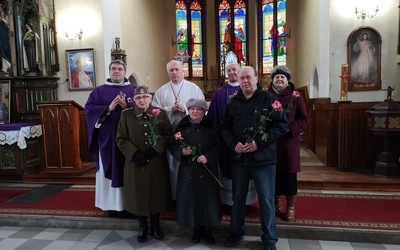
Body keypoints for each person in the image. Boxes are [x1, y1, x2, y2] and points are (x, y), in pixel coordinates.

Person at [220, 66, 288, 250]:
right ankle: (236, 232)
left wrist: (259, 143)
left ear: (257, 78)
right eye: (241, 78)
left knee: (266, 200)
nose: (245, 81)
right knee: (238, 198)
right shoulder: (233, 102)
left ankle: (269, 239)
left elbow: (282, 125)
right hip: (240, 159)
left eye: (248, 77)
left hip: (263, 159)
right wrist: (233, 143)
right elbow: (224, 127)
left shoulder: (269, 99)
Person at [116, 85, 173, 243]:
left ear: (150, 98)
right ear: (134, 100)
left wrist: (156, 149)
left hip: (155, 162)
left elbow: (168, 134)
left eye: (145, 97)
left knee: (156, 192)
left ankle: (155, 224)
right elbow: (120, 138)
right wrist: (134, 154)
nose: (142, 100)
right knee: (138, 193)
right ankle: (142, 226)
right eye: (138, 98)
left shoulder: (160, 114)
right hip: (136, 163)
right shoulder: (126, 115)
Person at [85, 60, 136, 216]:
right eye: (113, 68)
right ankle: (111, 206)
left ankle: (131, 206)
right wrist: (108, 108)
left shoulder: (133, 90)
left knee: (129, 172)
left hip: (130, 140)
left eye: (120, 69)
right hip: (107, 141)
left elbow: (144, 109)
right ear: (109, 71)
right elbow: (90, 110)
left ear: (125, 72)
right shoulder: (99, 91)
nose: (116, 71)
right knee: (110, 170)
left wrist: (126, 108)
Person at [168, 98, 222, 245]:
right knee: (192, 199)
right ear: (188, 110)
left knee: (208, 199)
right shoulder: (182, 126)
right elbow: (172, 144)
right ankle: (196, 229)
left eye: (198, 109)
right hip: (189, 171)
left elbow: (220, 146)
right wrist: (181, 151)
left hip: (207, 170)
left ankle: (208, 229)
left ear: (204, 111)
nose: (195, 112)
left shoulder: (212, 126)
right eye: (192, 109)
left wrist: (208, 156)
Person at [152, 59, 204, 203]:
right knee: (172, 167)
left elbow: (202, 110)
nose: (174, 73)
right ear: (168, 72)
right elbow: (155, 112)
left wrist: (186, 110)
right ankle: (174, 198)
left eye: (177, 69)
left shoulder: (193, 88)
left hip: (191, 135)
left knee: (189, 167)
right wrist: (170, 110)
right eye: (171, 70)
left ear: (183, 71)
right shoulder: (161, 91)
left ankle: (190, 197)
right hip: (170, 136)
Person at [207, 63, 258, 207]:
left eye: (234, 69)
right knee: (227, 168)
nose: (231, 72)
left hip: (247, 142)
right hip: (226, 142)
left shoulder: (250, 91)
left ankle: (247, 201)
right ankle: (229, 201)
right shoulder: (219, 93)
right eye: (228, 70)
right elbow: (213, 118)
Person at [267, 65, 309, 222]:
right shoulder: (266, 96)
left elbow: (304, 119)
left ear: (287, 80)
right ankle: (276, 201)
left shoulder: (296, 96)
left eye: (282, 77)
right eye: (276, 77)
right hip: (271, 143)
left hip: (289, 143)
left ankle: (290, 206)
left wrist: (289, 129)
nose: (279, 79)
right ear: (272, 80)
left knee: (289, 175)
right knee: (273, 174)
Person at [0, 4, 11, 73]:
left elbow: (9, 24)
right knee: (2, 50)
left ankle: (9, 65)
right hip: (1, 36)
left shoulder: (6, 16)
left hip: (5, 35)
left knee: (6, 48)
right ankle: (4, 67)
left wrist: (2, 20)